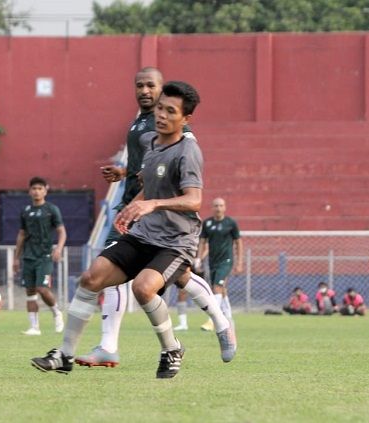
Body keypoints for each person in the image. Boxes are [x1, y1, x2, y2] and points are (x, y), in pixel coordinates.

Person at [32, 81, 229, 379]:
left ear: (185, 119)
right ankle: (65, 354)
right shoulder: (150, 142)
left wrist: (152, 205)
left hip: (176, 240)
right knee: (91, 278)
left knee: (143, 288)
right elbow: (148, 181)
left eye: (170, 111)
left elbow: (194, 199)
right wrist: (132, 203)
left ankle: (172, 347)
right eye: (160, 108)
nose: (161, 115)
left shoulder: (189, 149)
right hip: (146, 233)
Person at [14, 176, 66, 336]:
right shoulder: (26, 211)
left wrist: (58, 248)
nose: (37, 191)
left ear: (45, 190)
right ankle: (34, 327)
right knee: (30, 292)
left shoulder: (51, 209)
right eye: (34, 189)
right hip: (29, 256)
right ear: (29, 191)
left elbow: (61, 231)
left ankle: (57, 313)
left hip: (44, 256)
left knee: (42, 289)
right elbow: (22, 234)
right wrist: (16, 257)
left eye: (40, 188)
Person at [195, 197, 243, 331]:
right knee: (221, 290)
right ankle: (229, 318)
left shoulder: (230, 223)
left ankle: (212, 320)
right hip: (212, 261)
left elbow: (238, 242)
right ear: (212, 207)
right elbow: (202, 242)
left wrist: (239, 262)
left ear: (225, 207)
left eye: (221, 205)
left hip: (226, 261)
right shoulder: (207, 223)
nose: (218, 208)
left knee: (216, 287)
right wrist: (198, 259)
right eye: (216, 206)